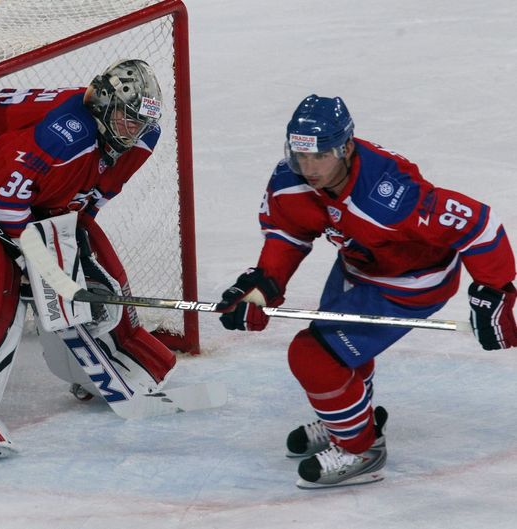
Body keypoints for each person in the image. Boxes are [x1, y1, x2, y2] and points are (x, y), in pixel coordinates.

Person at [217, 94, 517, 488]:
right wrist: (262, 288)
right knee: (340, 357)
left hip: (410, 284)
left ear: (345, 148)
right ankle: (350, 418)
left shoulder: (389, 195)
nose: (307, 168)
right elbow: (289, 233)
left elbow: (479, 224)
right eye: (299, 155)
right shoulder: (291, 179)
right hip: (357, 265)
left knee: (313, 357)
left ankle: (361, 449)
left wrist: (496, 294)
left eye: (319, 157)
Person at [0, 59, 176, 457]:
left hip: (14, 180)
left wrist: (66, 252)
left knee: (96, 267)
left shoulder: (140, 137)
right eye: (124, 120)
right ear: (103, 104)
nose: (132, 133)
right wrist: (33, 259)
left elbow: (85, 202)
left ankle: (120, 360)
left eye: (139, 124)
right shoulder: (66, 135)